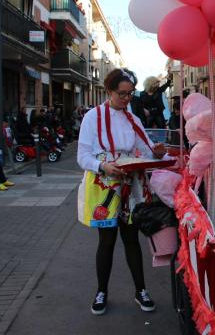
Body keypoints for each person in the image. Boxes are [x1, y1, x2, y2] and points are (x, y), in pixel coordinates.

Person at [78, 68, 167, 316]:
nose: (127, 99)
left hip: (130, 185)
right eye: (122, 94)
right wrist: (102, 166)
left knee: (131, 239)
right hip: (104, 185)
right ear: (108, 91)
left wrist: (157, 153)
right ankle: (101, 292)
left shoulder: (133, 119)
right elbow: (82, 156)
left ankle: (141, 290)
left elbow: (145, 150)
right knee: (106, 242)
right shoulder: (92, 117)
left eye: (130, 94)